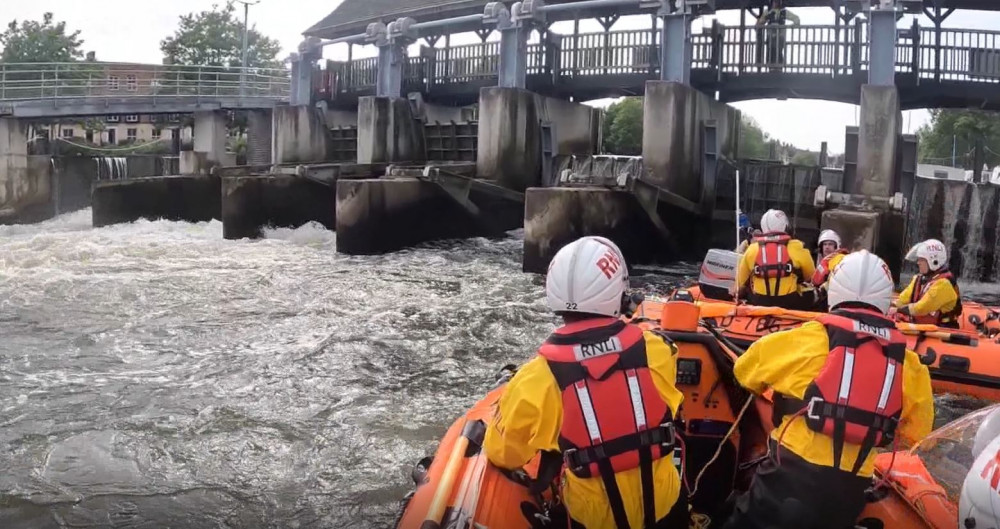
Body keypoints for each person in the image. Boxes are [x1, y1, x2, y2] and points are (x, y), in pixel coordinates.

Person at [484, 236, 689, 529]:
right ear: (619, 293)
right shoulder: (657, 351)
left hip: (591, 521)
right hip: (667, 511)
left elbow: (503, 453)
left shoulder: (536, 379)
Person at [722, 250, 934, 529]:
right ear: (885, 299)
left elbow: (744, 372)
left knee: (728, 513)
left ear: (835, 292)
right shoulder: (911, 366)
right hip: (850, 491)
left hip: (786, 479)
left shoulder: (803, 339)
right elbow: (917, 435)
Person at [734, 209, 815, 310]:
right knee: (813, 291)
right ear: (785, 226)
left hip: (759, 301)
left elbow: (739, 284)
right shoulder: (797, 246)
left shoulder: (752, 249)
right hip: (789, 302)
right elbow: (811, 277)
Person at [896, 238, 963, 328]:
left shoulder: (944, 284)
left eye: (921, 260)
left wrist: (897, 310)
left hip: (942, 328)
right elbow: (902, 299)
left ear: (934, 261)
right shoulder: (918, 279)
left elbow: (921, 308)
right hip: (922, 327)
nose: (918, 263)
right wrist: (888, 305)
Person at [756, 0, 800, 69]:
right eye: (775, 1)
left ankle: (779, 68)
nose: (776, 3)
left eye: (777, 1)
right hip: (770, 36)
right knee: (770, 53)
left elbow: (797, 20)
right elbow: (759, 24)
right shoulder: (767, 11)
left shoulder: (784, 11)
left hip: (780, 37)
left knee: (778, 52)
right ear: (772, 2)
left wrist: (788, 27)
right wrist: (766, 18)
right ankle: (771, 68)